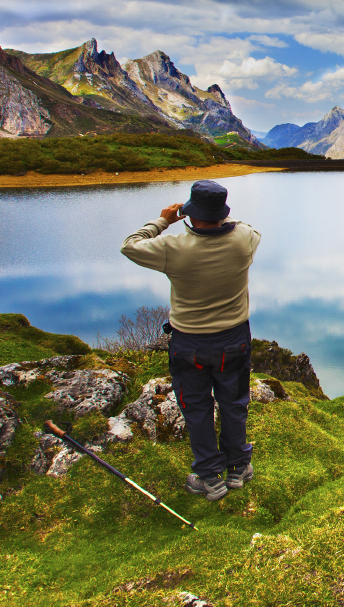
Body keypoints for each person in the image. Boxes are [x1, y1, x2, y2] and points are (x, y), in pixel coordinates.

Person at [120, 180, 262, 501]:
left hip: (189, 343)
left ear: (190, 213)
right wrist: (219, 217)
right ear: (222, 214)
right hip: (234, 339)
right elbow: (248, 228)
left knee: (196, 408)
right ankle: (239, 468)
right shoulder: (244, 242)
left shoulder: (174, 248)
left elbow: (130, 245)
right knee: (234, 403)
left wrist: (164, 220)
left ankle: (210, 477)